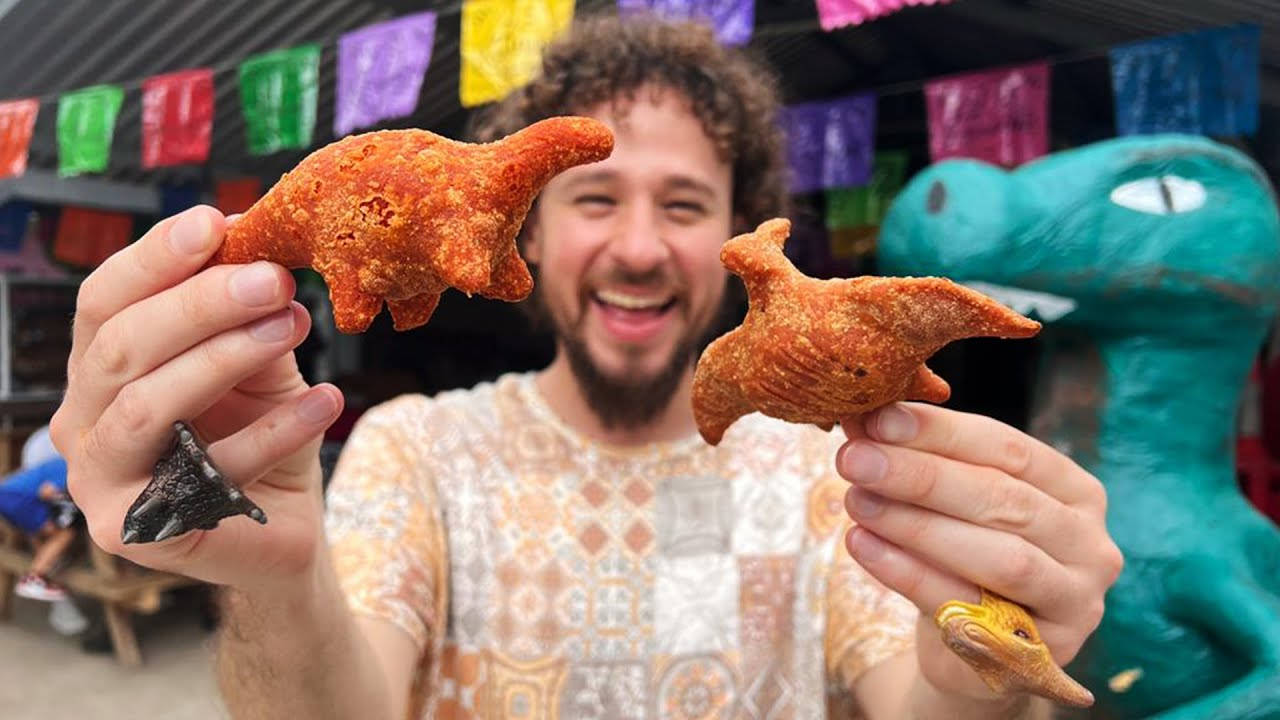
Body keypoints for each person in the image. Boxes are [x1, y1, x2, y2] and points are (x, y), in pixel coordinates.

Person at [50, 14, 1122, 720]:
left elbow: (915, 696)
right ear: (523, 231)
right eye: (596, 198)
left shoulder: (827, 483)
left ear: (740, 238)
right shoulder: (414, 453)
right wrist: (272, 584)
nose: (642, 247)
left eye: (686, 205)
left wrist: (988, 658)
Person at [0, 440, 78, 602]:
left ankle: (45, 565)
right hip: (20, 498)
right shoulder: (72, 465)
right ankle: (34, 578)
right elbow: (47, 492)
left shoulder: (62, 459)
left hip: (11, 496)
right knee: (65, 534)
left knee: (44, 530)